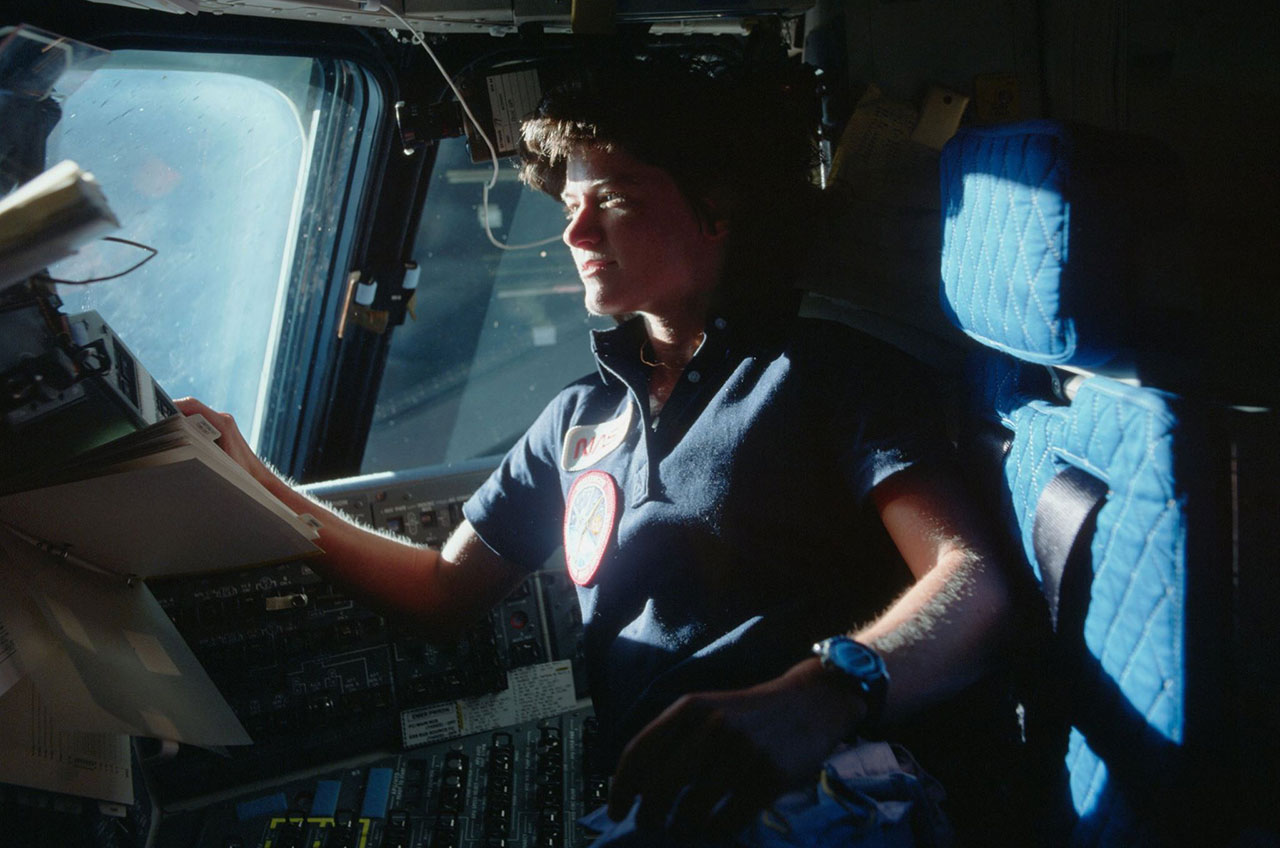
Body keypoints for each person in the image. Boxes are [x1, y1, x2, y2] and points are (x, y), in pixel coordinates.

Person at [178, 48, 1012, 844]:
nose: (575, 233)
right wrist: (252, 481)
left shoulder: (825, 372)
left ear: (716, 207)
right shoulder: (576, 418)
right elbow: (441, 591)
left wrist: (825, 692)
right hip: (660, 804)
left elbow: (970, 583)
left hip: (834, 775)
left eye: (611, 199)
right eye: (569, 205)